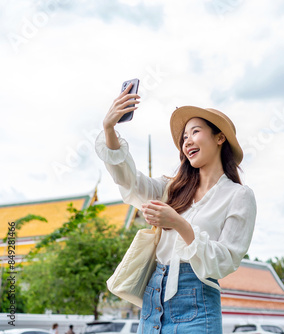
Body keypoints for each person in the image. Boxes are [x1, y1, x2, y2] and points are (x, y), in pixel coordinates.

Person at [95, 83, 257, 334]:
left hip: (196, 303)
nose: (187, 141)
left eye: (195, 132)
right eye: (184, 137)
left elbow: (225, 262)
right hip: (152, 300)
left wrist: (179, 223)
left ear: (219, 137)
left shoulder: (238, 195)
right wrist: (109, 129)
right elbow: (130, 183)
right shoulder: (171, 188)